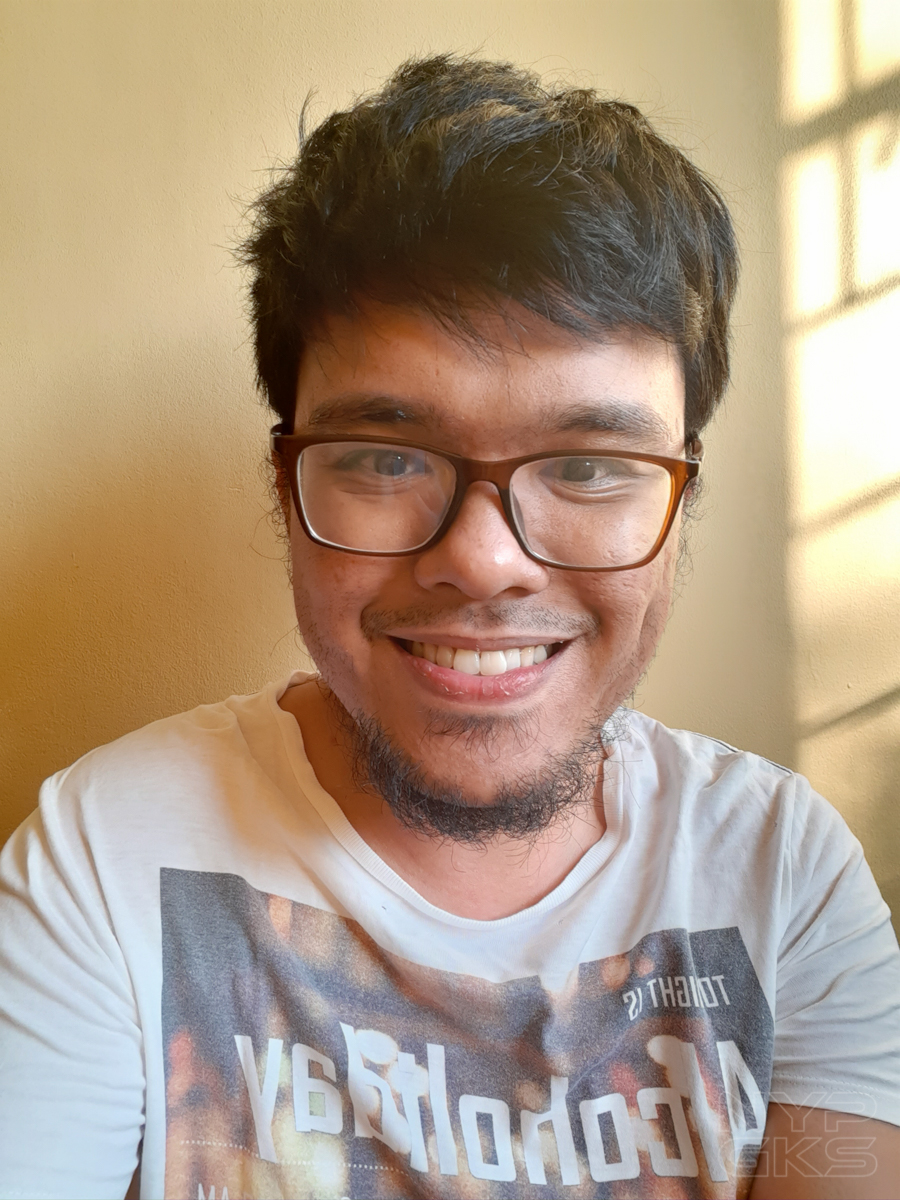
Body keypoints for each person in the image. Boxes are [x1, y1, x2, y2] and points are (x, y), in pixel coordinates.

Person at [1, 54, 898, 1200]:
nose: (482, 559)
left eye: (589, 464)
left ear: (682, 501)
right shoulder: (109, 861)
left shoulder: (782, 873)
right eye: (386, 459)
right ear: (284, 485)